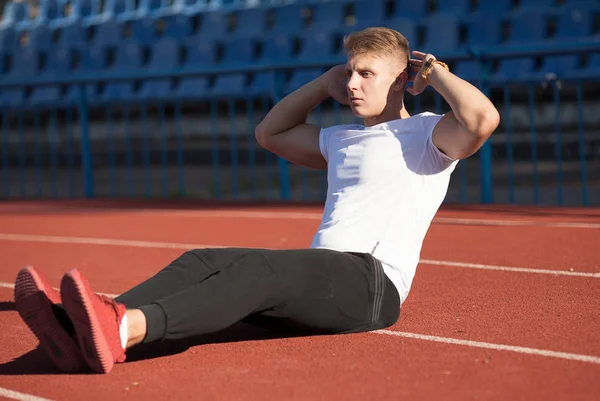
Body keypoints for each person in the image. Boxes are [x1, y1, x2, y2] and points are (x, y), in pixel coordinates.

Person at [13, 27, 500, 374]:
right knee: (201, 260)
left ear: (399, 79)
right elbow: (270, 133)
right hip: (324, 277)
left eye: (365, 74)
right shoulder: (340, 139)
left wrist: (431, 71)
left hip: (370, 284)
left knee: (260, 271)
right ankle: (85, 324)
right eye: (349, 73)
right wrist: (322, 83)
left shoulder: (428, 135)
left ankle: (123, 331)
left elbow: (482, 119)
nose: (352, 84)